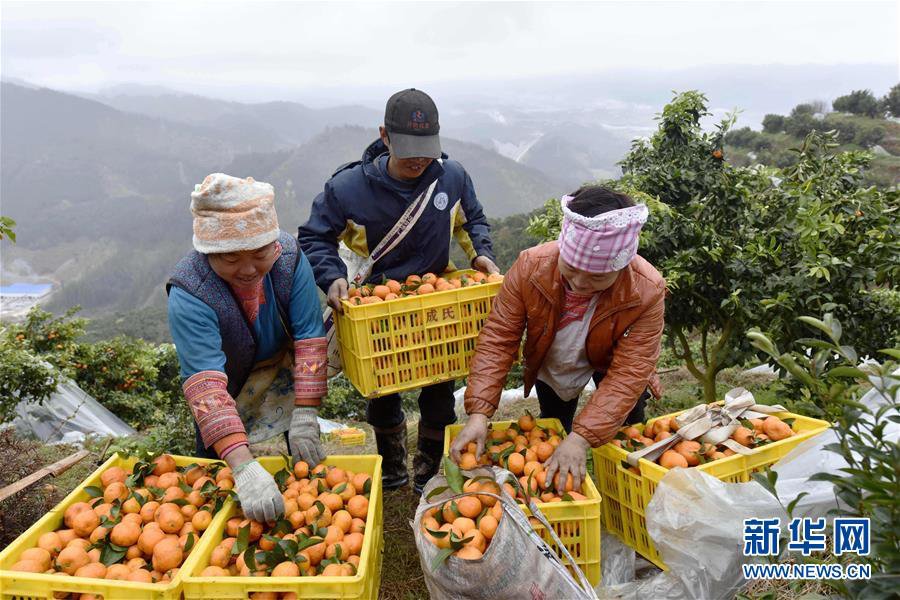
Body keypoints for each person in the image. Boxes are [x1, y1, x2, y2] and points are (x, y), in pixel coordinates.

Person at [298, 88, 498, 493]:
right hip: (377, 306)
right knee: (381, 392)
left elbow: (471, 220)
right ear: (384, 136)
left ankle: (426, 470)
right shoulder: (348, 188)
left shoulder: (451, 177)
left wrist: (481, 254)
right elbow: (315, 236)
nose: (418, 159)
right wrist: (331, 276)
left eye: (426, 149)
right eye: (408, 149)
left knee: (440, 389)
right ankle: (392, 471)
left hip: (435, 300)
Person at [450, 185, 665, 493]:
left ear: (621, 266)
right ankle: (556, 481)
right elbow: (499, 338)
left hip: (613, 358)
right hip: (554, 357)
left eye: (597, 277)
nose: (580, 283)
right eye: (572, 269)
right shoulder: (530, 268)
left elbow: (629, 372)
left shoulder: (646, 290)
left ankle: (620, 488)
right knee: (554, 423)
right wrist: (479, 413)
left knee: (626, 428)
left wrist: (582, 438)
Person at [167, 173, 328, 524]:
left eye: (259, 254)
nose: (248, 269)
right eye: (230, 259)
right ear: (208, 251)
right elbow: (206, 386)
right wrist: (243, 467)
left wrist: (305, 413)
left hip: (282, 366)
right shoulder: (190, 291)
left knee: (303, 454)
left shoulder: (289, 259)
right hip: (227, 380)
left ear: (272, 243)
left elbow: (309, 335)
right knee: (218, 471)